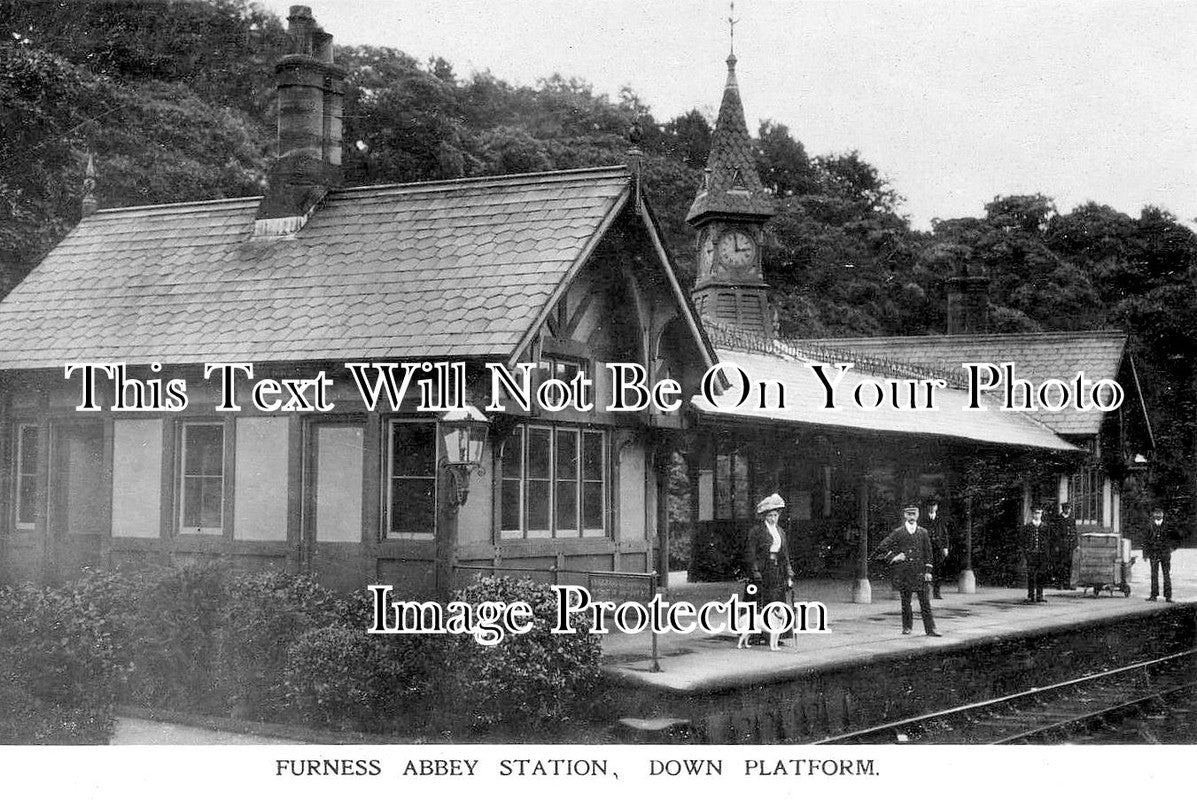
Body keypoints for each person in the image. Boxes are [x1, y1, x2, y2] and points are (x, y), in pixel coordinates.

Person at [872, 504, 941, 637]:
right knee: (906, 603)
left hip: (920, 572)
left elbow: (928, 553)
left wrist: (928, 571)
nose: (911, 517)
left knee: (925, 603)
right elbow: (882, 547)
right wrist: (894, 557)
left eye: (914, 514)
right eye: (909, 514)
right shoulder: (898, 532)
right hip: (905, 572)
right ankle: (907, 627)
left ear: (918, 515)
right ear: (905, 515)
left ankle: (931, 629)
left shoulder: (923, 532)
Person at [744, 493, 795, 640]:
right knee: (759, 601)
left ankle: (775, 636)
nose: (773, 518)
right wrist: (755, 572)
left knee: (776, 601)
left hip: (776, 569)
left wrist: (789, 573)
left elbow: (785, 554)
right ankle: (756, 635)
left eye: (775, 515)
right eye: (770, 516)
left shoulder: (780, 531)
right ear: (764, 516)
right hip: (762, 570)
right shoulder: (756, 531)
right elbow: (751, 553)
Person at [1143, 507, 1176, 602]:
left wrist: (1172, 548)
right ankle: (1153, 595)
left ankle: (1168, 596)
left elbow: (1176, 537)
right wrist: (1145, 554)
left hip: (1165, 553)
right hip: (1153, 553)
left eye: (1160, 513)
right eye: (1156, 513)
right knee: (1154, 575)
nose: (1158, 515)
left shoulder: (1168, 525)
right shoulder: (1149, 526)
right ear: (1153, 514)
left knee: (1166, 574)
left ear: (1163, 514)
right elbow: (1145, 540)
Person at [1020, 505, 1049, 603]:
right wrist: (1026, 552)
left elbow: (1048, 541)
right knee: (1031, 575)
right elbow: (1023, 541)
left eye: (1039, 513)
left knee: (1041, 575)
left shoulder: (1045, 527)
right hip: (1031, 554)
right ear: (1032, 514)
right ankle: (1031, 595)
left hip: (1041, 555)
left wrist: (1046, 553)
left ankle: (1040, 595)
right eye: (1036, 513)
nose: (1037, 515)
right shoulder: (1028, 527)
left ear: (1041, 514)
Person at [924, 499, 951, 599]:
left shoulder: (940, 519)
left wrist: (945, 547)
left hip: (938, 547)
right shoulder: (923, 519)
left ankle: (937, 592)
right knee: (926, 569)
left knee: (938, 570)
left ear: (936, 507)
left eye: (934, 506)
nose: (932, 508)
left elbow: (944, 534)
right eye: (930, 506)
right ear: (928, 507)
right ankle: (926, 592)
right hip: (927, 547)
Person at [1050, 501, 1078, 589]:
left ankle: (1067, 583)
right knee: (1060, 565)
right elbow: (1055, 534)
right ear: (1063, 509)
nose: (1068, 510)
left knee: (1069, 565)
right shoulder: (1058, 519)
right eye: (1066, 508)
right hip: (1061, 545)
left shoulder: (1072, 519)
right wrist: (1056, 545)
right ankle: (1060, 583)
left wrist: (1075, 544)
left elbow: (1074, 532)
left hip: (1070, 545)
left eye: (1069, 509)